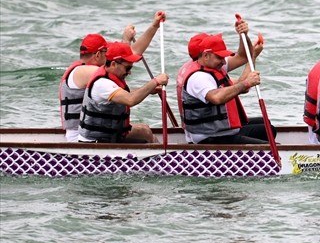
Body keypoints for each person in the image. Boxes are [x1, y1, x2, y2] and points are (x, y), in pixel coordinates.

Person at [60, 12, 167, 140]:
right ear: (98, 54)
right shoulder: (87, 73)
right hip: (82, 135)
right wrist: (126, 41)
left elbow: (124, 61)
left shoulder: (91, 71)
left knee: (142, 129)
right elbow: (123, 62)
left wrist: (154, 26)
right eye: (107, 52)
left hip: (94, 128)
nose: (109, 55)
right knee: (144, 132)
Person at [176, 34, 269, 145]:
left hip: (217, 129)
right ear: (205, 55)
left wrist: (244, 35)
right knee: (269, 145)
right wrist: (246, 83)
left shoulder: (211, 66)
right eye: (220, 57)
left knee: (267, 127)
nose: (224, 61)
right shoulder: (199, 77)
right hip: (209, 136)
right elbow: (217, 97)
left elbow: (242, 59)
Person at [77, 42, 170, 144]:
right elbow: (130, 99)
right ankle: (161, 157)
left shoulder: (109, 77)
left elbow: (125, 94)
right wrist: (155, 81)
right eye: (128, 68)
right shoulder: (102, 84)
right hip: (95, 142)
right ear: (113, 64)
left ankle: (160, 156)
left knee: (145, 130)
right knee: (145, 133)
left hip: (109, 136)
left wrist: (149, 90)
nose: (129, 72)